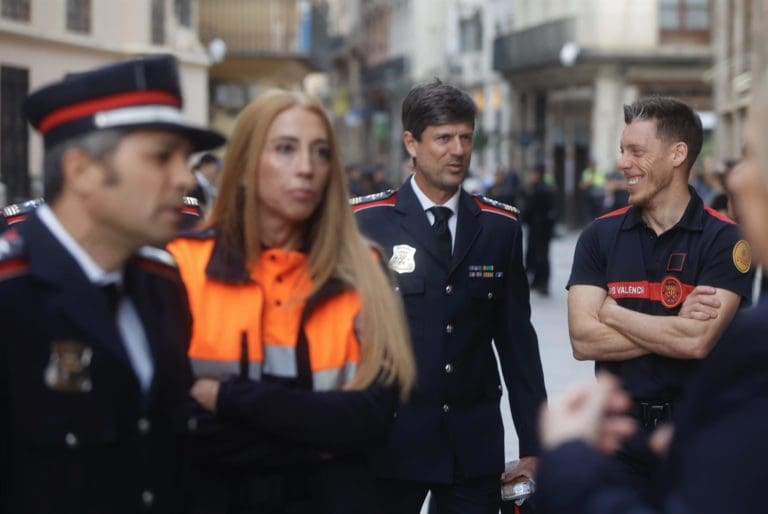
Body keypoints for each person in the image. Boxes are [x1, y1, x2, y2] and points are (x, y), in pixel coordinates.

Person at [166, 89, 416, 514]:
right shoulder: (183, 265)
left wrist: (229, 399)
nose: (306, 168)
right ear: (243, 165)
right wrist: (315, 442)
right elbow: (174, 423)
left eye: (320, 153)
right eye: (285, 149)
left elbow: (371, 418)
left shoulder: (364, 269)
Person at [0, 55, 225, 513]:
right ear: (82, 170)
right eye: (162, 156)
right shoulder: (10, 294)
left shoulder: (162, 282)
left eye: (184, 159)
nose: (185, 178)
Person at [536, 73, 768, 514]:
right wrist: (675, 321)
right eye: (623, 150)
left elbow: (698, 342)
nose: (622, 162)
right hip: (615, 439)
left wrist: (614, 312)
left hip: (694, 437)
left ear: (677, 154)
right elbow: (583, 340)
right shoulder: (598, 236)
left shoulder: (728, 239)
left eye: (636, 151)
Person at [353, 79, 547, 514]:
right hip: (390, 442)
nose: (457, 150)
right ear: (412, 143)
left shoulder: (499, 227)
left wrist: (535, 445)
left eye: (465, 137)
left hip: (471, 448)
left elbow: (518, 344)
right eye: (443, 138)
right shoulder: (367, 224)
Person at [522, 163, 557, 296]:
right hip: (537, 227)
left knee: (541, 256)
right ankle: (537, 280)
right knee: (534, 254)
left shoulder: (541, 189)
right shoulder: (539, 187)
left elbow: (532, 207)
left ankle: (543, 283)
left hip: (540, 228)